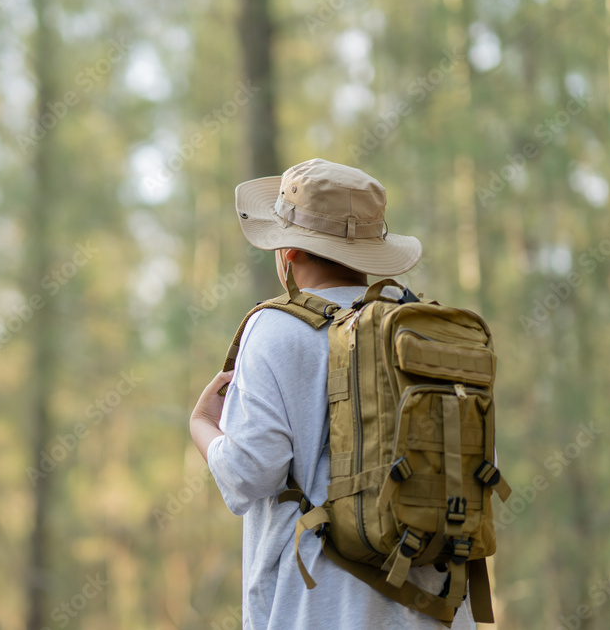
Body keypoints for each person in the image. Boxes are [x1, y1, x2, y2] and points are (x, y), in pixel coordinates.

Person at [189, 159, 475, 629]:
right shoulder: (430, 331)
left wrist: (202, 427)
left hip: (318, 610)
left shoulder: (274, 329)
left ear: (288, 252)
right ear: (373, 252)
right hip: (437, 609)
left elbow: (249, 474)